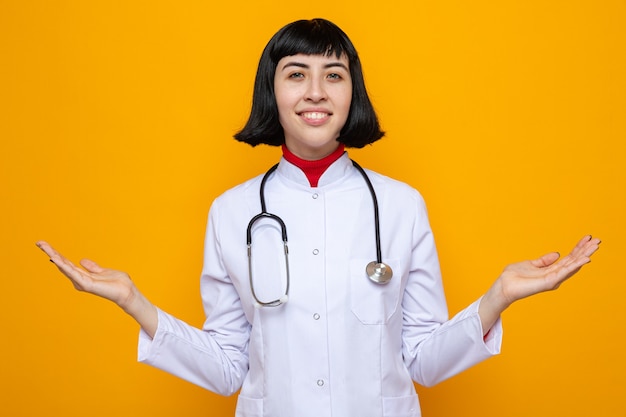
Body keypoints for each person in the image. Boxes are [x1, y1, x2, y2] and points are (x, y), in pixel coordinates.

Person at [36, 18, 600, 417]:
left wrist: (496, 297)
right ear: (272, 91)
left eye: (333, 74)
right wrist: (135, 303)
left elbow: (423, 360)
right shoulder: (231, 213)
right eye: (295, 73)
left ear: (352, 92)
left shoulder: (400, 206)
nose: (315, 92)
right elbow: (228, 367)